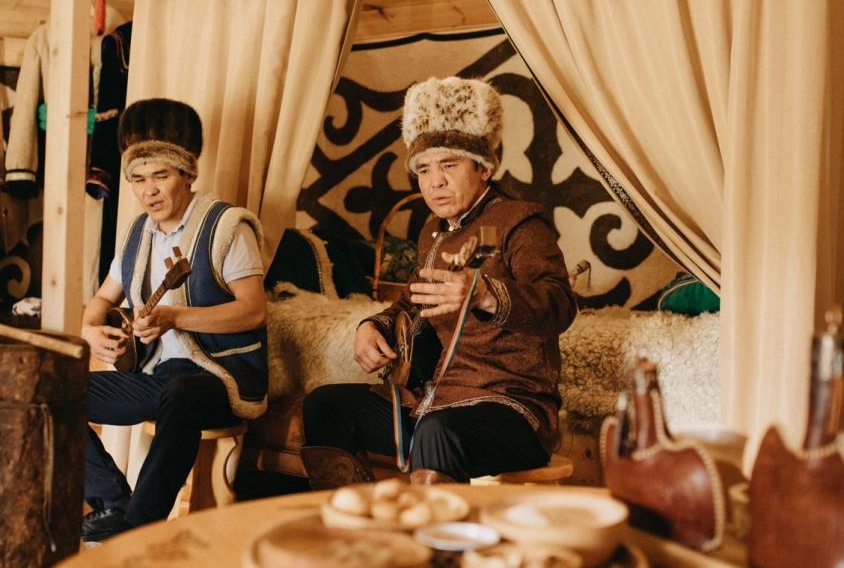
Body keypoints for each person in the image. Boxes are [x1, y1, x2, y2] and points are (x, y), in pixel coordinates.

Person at [301, 77, 576, 485]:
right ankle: (360, 519)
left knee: (436, 433)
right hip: (433, 401)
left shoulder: (520, 222)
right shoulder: (434, 231)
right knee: (325, 406)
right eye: (424, 170)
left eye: (449, 165)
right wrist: (372, 326)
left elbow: (560, 304)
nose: (435, 182)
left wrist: (485, 295)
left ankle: (431, 529)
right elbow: (413, 303)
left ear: (484, 168)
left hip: (512, 406)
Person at [80, 99, 268, 541]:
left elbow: (254, 309)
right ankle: (113, 504)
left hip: (222, 377)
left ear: (187, 174)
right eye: (138, 179)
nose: (149, 191)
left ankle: (139, 528)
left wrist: (176, 316)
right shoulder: (136, 233)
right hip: (158, 377)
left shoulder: (226, 227)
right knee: (56, 391)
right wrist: (91, 330)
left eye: (161, 176)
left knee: (182, 394)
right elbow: (102, 298)